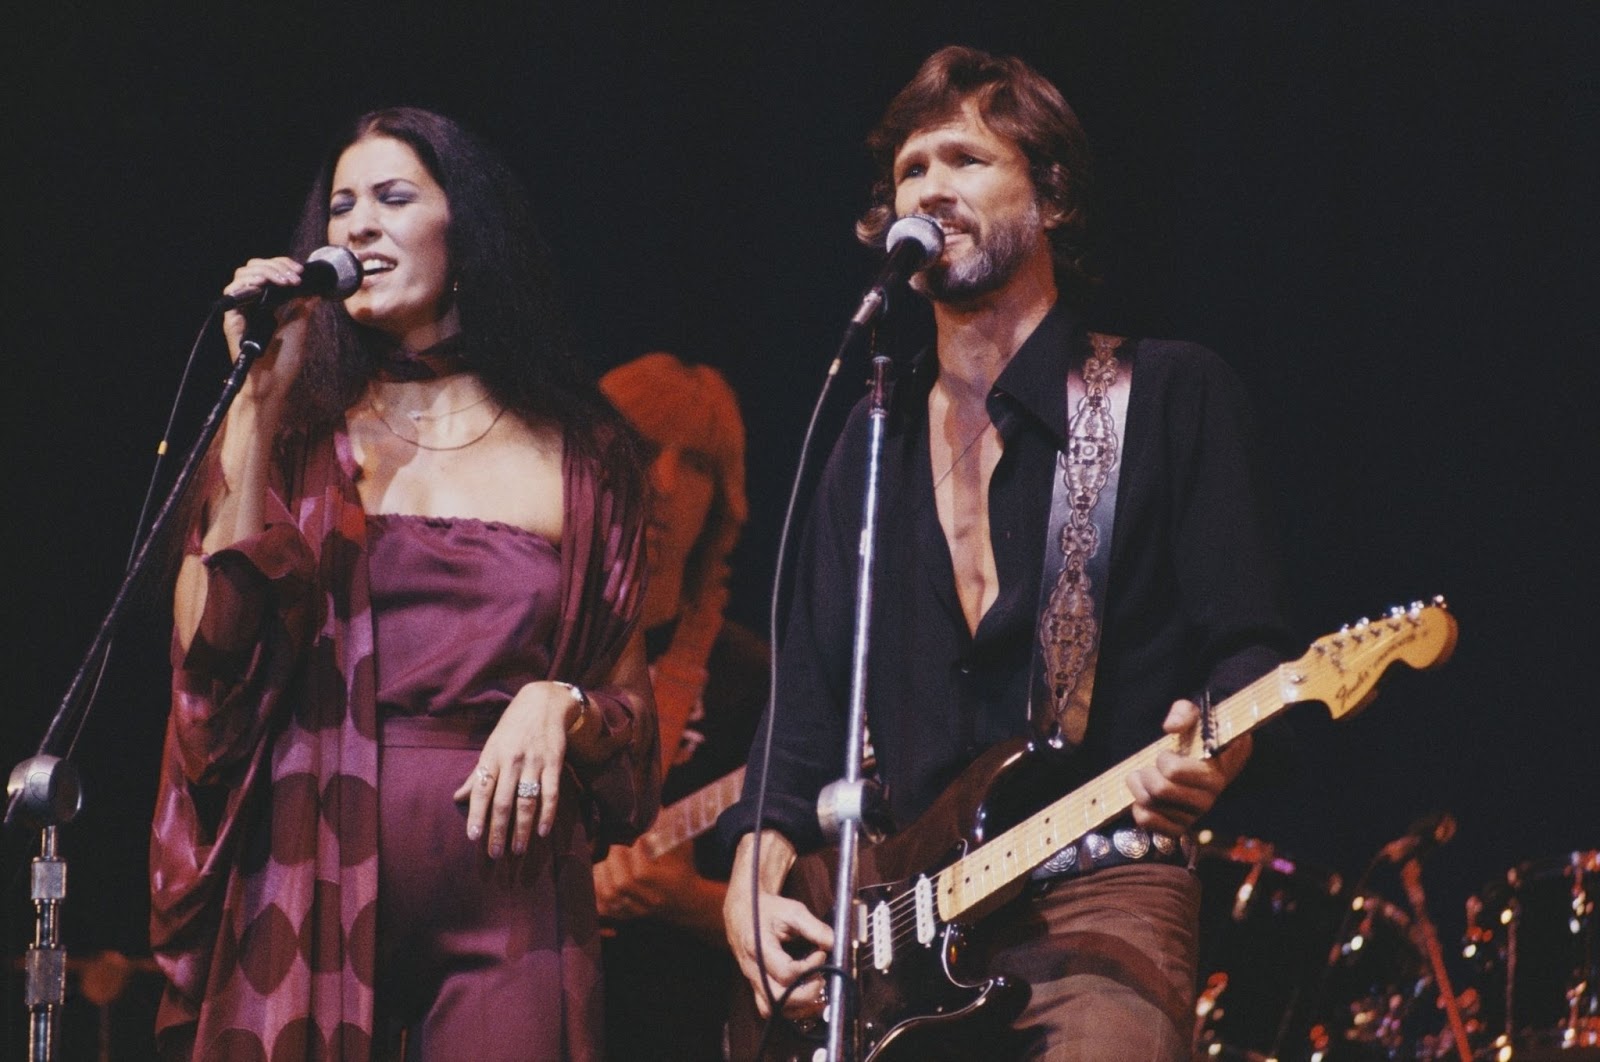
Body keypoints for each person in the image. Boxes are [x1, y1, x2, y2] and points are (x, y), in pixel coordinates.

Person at [716, 45, 1295, 1060]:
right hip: (894, 921)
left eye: (966, 159)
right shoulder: (869, 437)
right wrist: (756, 870)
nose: (932, 185)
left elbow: (1248, 644)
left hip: (1099, 890)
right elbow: (807, 698)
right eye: (910, 169)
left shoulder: (1165, 396)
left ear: (1052, 196)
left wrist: (1219, 741)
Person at [148, 107, 659, 1061]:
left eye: (392, 198)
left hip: (509, 906)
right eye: (340, 207)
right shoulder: (297, 439)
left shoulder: (582, 456)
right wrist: (256, 408)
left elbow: (637, 731)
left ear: (465, 229)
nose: (356, 227)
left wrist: (565, 705)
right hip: (308, 884)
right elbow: (208, 656)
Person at [592, 352, 769, 1061]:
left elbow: (816, 909)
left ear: (723, 495)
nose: (662, 484)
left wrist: (685, 898)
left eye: (694, 463)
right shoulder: (524, 633)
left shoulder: (754, 680)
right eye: (640, 449)